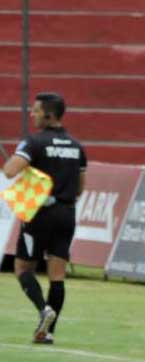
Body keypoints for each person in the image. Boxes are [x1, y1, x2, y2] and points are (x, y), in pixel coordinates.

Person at [3, 92, 86, 344]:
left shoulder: (34, 142)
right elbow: (81, 187)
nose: (32, 114)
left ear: (49, 115)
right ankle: (47, 332)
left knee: (22, 267)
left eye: (36, 111)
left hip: (39, 213)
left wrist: (26, 166)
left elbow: (9, 171)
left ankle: (43, 309)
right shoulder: (76, 146)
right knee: (57, 274)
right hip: (67, 213)